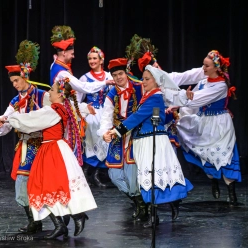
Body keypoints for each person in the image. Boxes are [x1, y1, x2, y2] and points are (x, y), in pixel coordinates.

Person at [5, 77, 97, 239]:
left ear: (61, 94)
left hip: (52, 150)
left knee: (44, 187)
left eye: (52, 90)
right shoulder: (62, 108)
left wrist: (9, 118)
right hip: (55, 148)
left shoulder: (52, 111)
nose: (49, 92)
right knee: (47, 188)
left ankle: (71, 219)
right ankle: (65, 222)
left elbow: (30, 120)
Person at [110, 65, 194, 227]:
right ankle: (172, 202)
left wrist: (117, 131)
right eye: (143, 79)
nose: (144, 82)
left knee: (151, 177)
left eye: (147, 79)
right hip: (144, 141)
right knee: (150, 176)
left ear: (156, 81)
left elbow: (137, 117)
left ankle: (154, 216)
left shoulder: (155, 97)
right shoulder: (149, 97)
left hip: (152, 141)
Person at [167, 50, 241, 206]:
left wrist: (179, 102)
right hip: (205, 123)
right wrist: (176, 105)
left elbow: (196, 100)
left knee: (225, 156)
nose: (204, 68)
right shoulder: (203, 81)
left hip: (220, 125)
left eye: (206, 66)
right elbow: (190, 95)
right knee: (206, 154)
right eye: (203, 65)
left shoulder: (221, 86)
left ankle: (231, 192)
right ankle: (213, 181)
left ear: (216, 68)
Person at [0, 40, 49, 234]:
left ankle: (59, 223)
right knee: (22, 185)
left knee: (47, 185)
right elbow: (7, 120)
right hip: (26, 147)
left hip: (44, 146)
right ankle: (34, 221)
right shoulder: (15, 101)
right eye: (12, 82)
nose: (14, 85)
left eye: (16, 81)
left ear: (25, 76)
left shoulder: (42, 95)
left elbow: (52, 119)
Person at [97, 58, 148, 221]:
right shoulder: (111, 94)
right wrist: (104, 132)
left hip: (136, 133)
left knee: (132, 174)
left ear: (126, 73)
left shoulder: (140, 87)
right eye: (115, 75)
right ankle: (138, 201)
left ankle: (142, 207)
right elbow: (106, 116)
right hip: (118, 135)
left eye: (121, 74)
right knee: (114, 175)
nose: (119, 77)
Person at [78, 46, 112, 187]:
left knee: (106, 143)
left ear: (101, 60)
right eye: (90, 59)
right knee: (92, 144)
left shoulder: (109, 76)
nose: (92, 61)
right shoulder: (85, 78)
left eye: (94, 58)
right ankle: (88, 174)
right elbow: (78, 99)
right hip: (92, 115)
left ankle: (98, 174)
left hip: (106, 114)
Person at [49, 25, 114, 93]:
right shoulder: (62, 73)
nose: (73, 57)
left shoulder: (55, 64)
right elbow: (82, 87)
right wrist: (104, 83)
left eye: (95, 58)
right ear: (64, 52)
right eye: (72, 54)